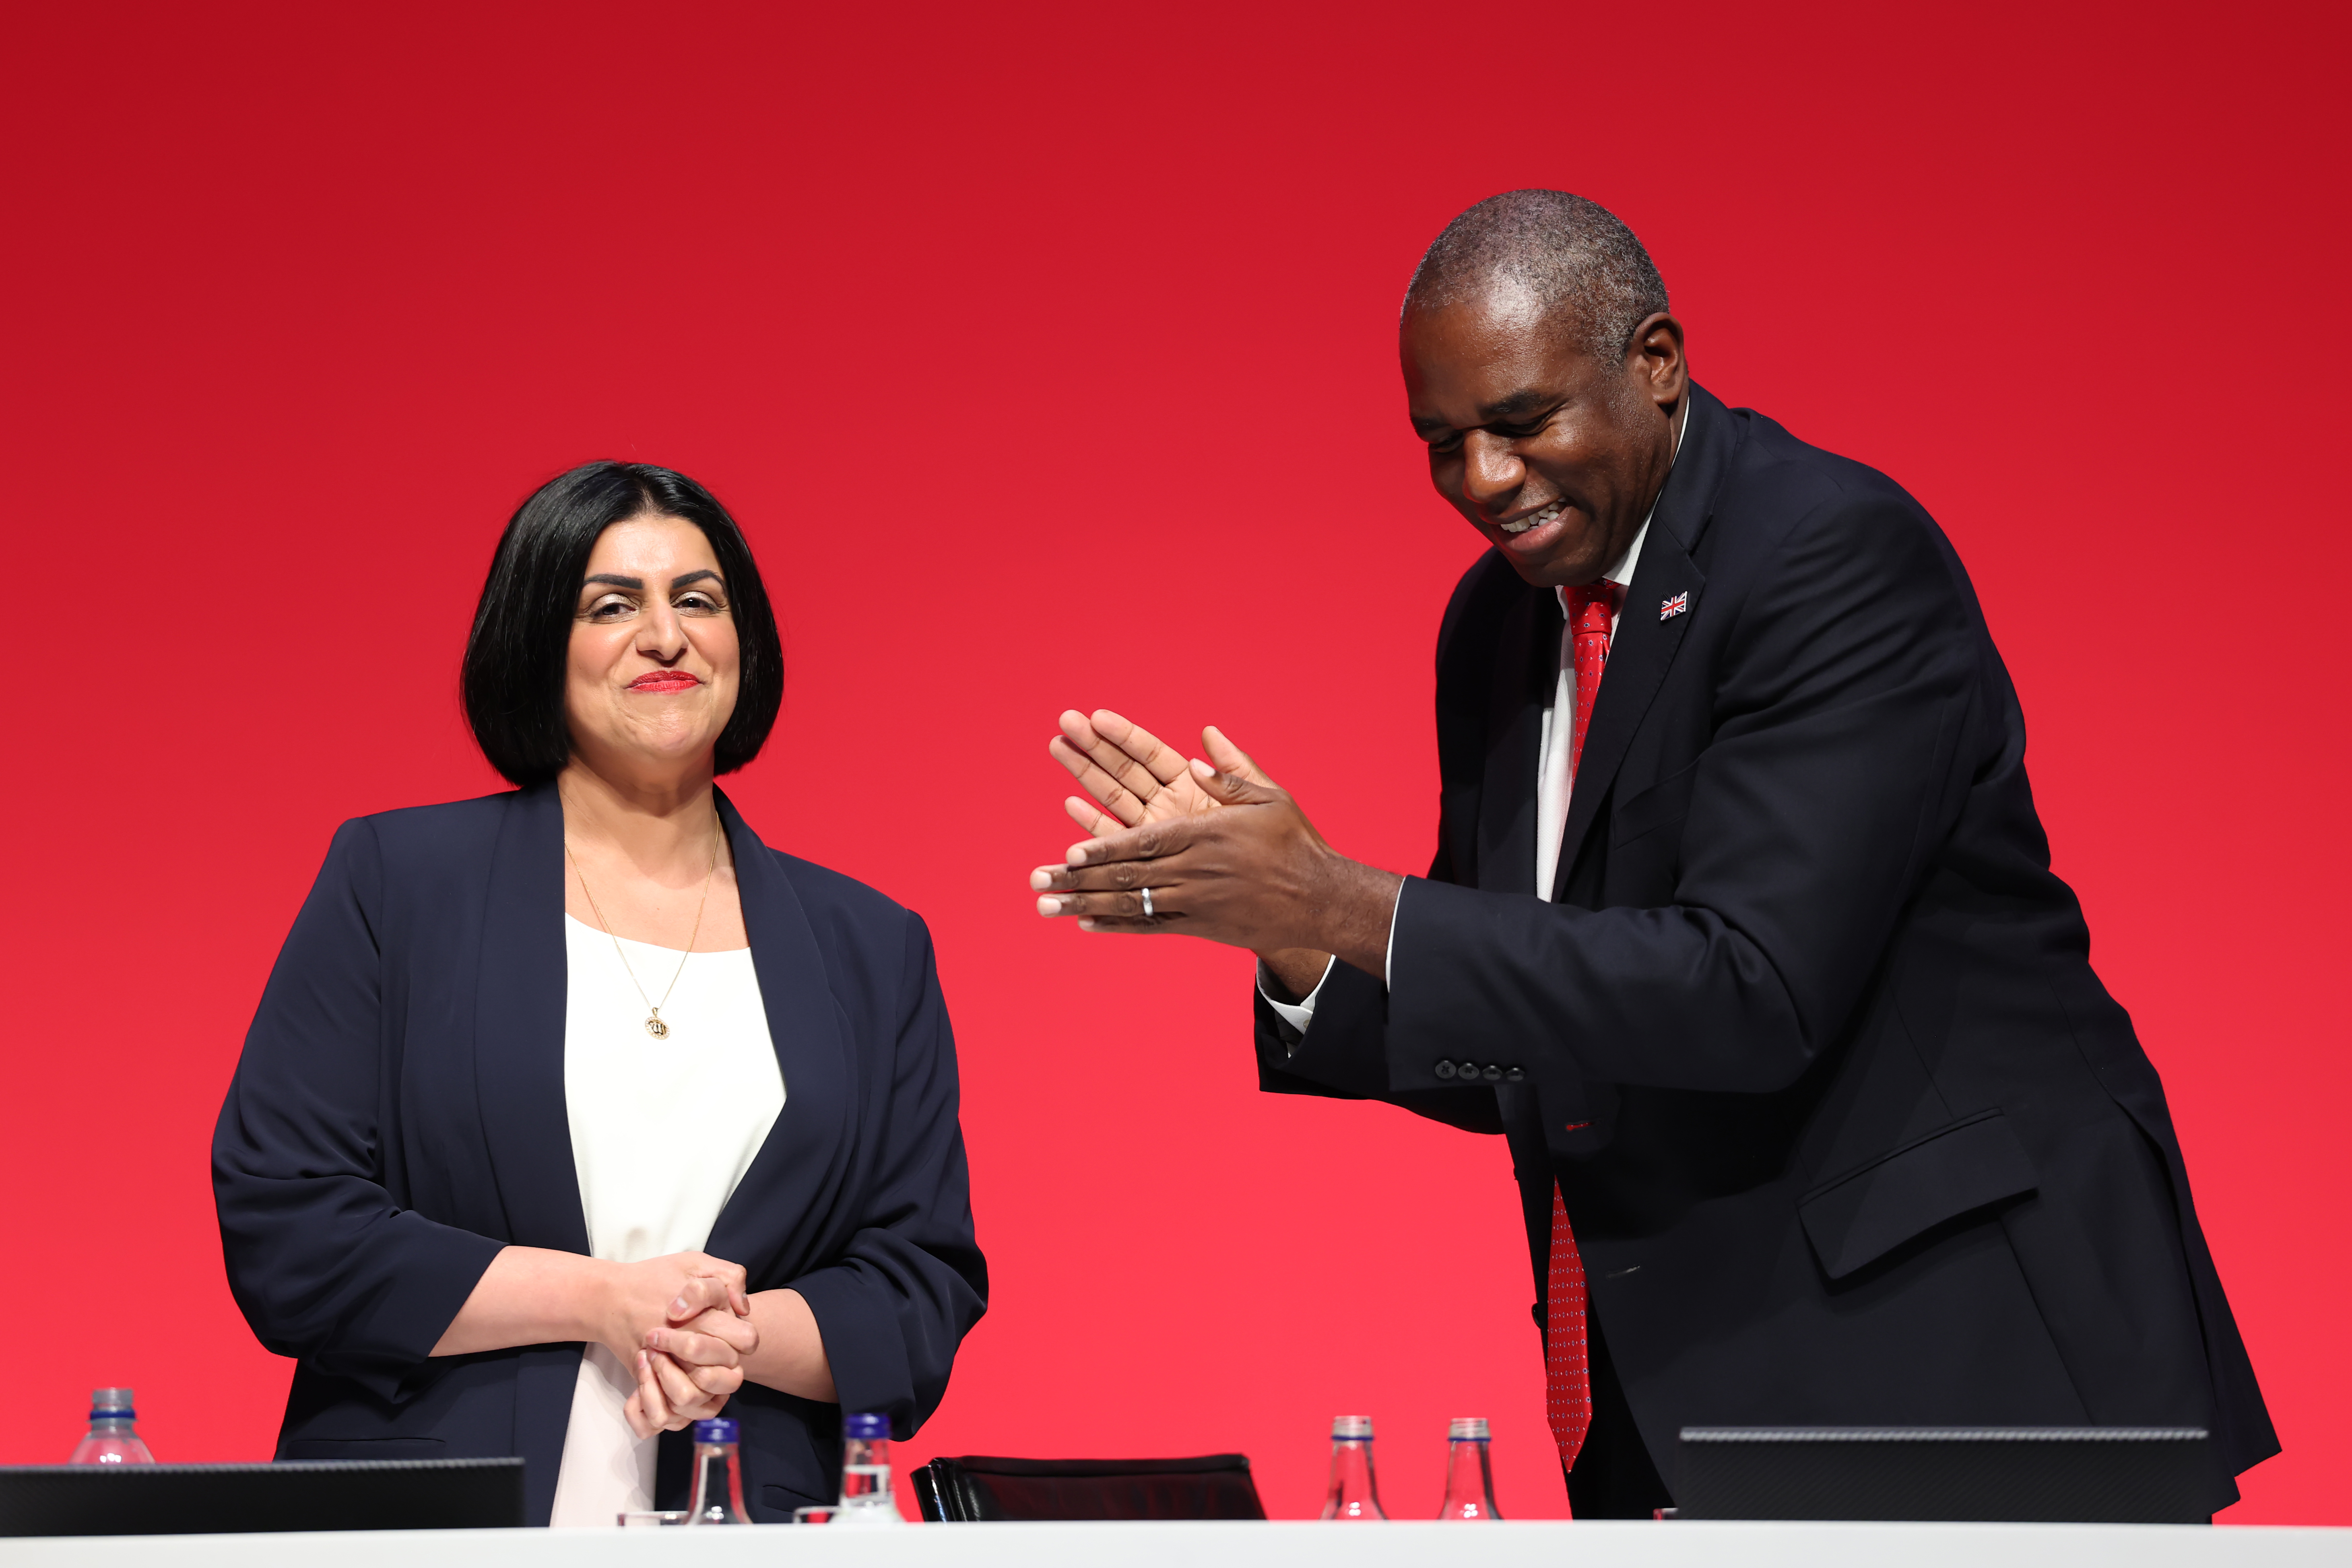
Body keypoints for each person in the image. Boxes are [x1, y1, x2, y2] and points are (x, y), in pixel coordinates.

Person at [1029, 190, 2274, 1517]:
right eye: (1441, 444)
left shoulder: (1829, 556)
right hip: (1684, 1387)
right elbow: (1538, 1028)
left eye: (1520, 424)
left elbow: (1753, 990)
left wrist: (1349, 897)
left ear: (1657, 363)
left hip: (1961, 1361)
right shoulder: (1495, 627)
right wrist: (1296, 932)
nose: (1483, 481)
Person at [215, 461, 985, 1525]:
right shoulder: (398, 881)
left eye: (698, 601)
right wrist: (602, 1301)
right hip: (428, 1524)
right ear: (540, 646)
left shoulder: (871, 945)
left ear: (742, 644)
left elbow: (918, 1290)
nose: (665, 637)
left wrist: (739, 1336)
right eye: (610, 604)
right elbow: (288, 1227)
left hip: (750, 1518)